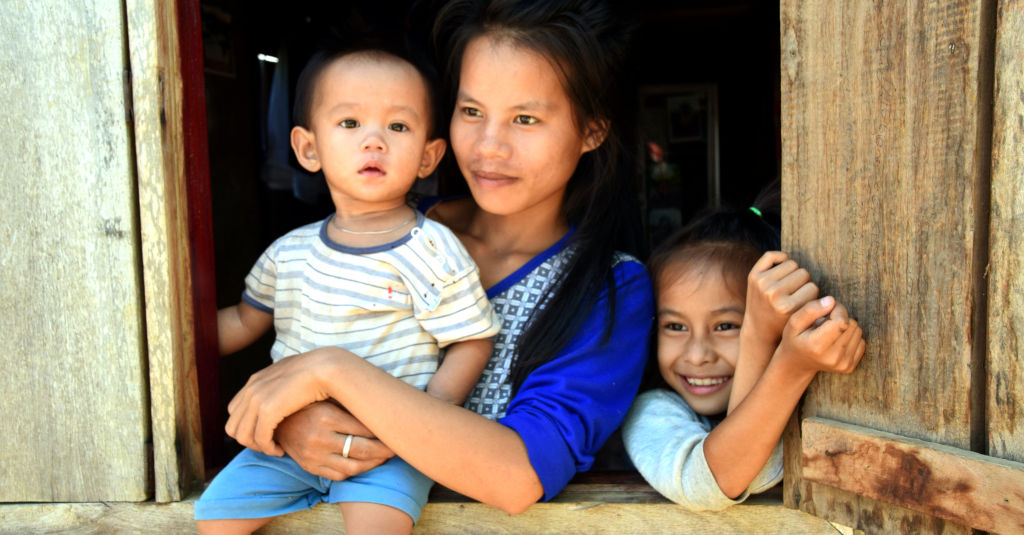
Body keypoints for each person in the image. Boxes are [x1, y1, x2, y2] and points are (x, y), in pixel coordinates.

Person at [221, 0, 655, 517]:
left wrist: (330, 373)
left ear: (591, 131)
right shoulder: (383, 230)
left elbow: (518, 475)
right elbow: (288, 353)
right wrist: (292, 421)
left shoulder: (609, 287)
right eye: (471, 112)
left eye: (525, 118)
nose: (489, 146)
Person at [194, 48, 502, 534]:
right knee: (216, 520)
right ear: (308, 149)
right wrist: (163, 341)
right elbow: (242, 322)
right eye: (350, 123)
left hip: (388, 447)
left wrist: (430, 419)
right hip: (290, 436)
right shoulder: (289, 252)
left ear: (428, 156)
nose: (374, 141)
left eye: (398, 127)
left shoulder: (432, 249)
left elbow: (471, 338)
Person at [621, 195, 866, 511]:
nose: (697, 356)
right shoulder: (650, 413)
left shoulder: (814, 397)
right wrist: (783, 357)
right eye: (676, 327)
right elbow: (722, 480)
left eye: (726, 326)